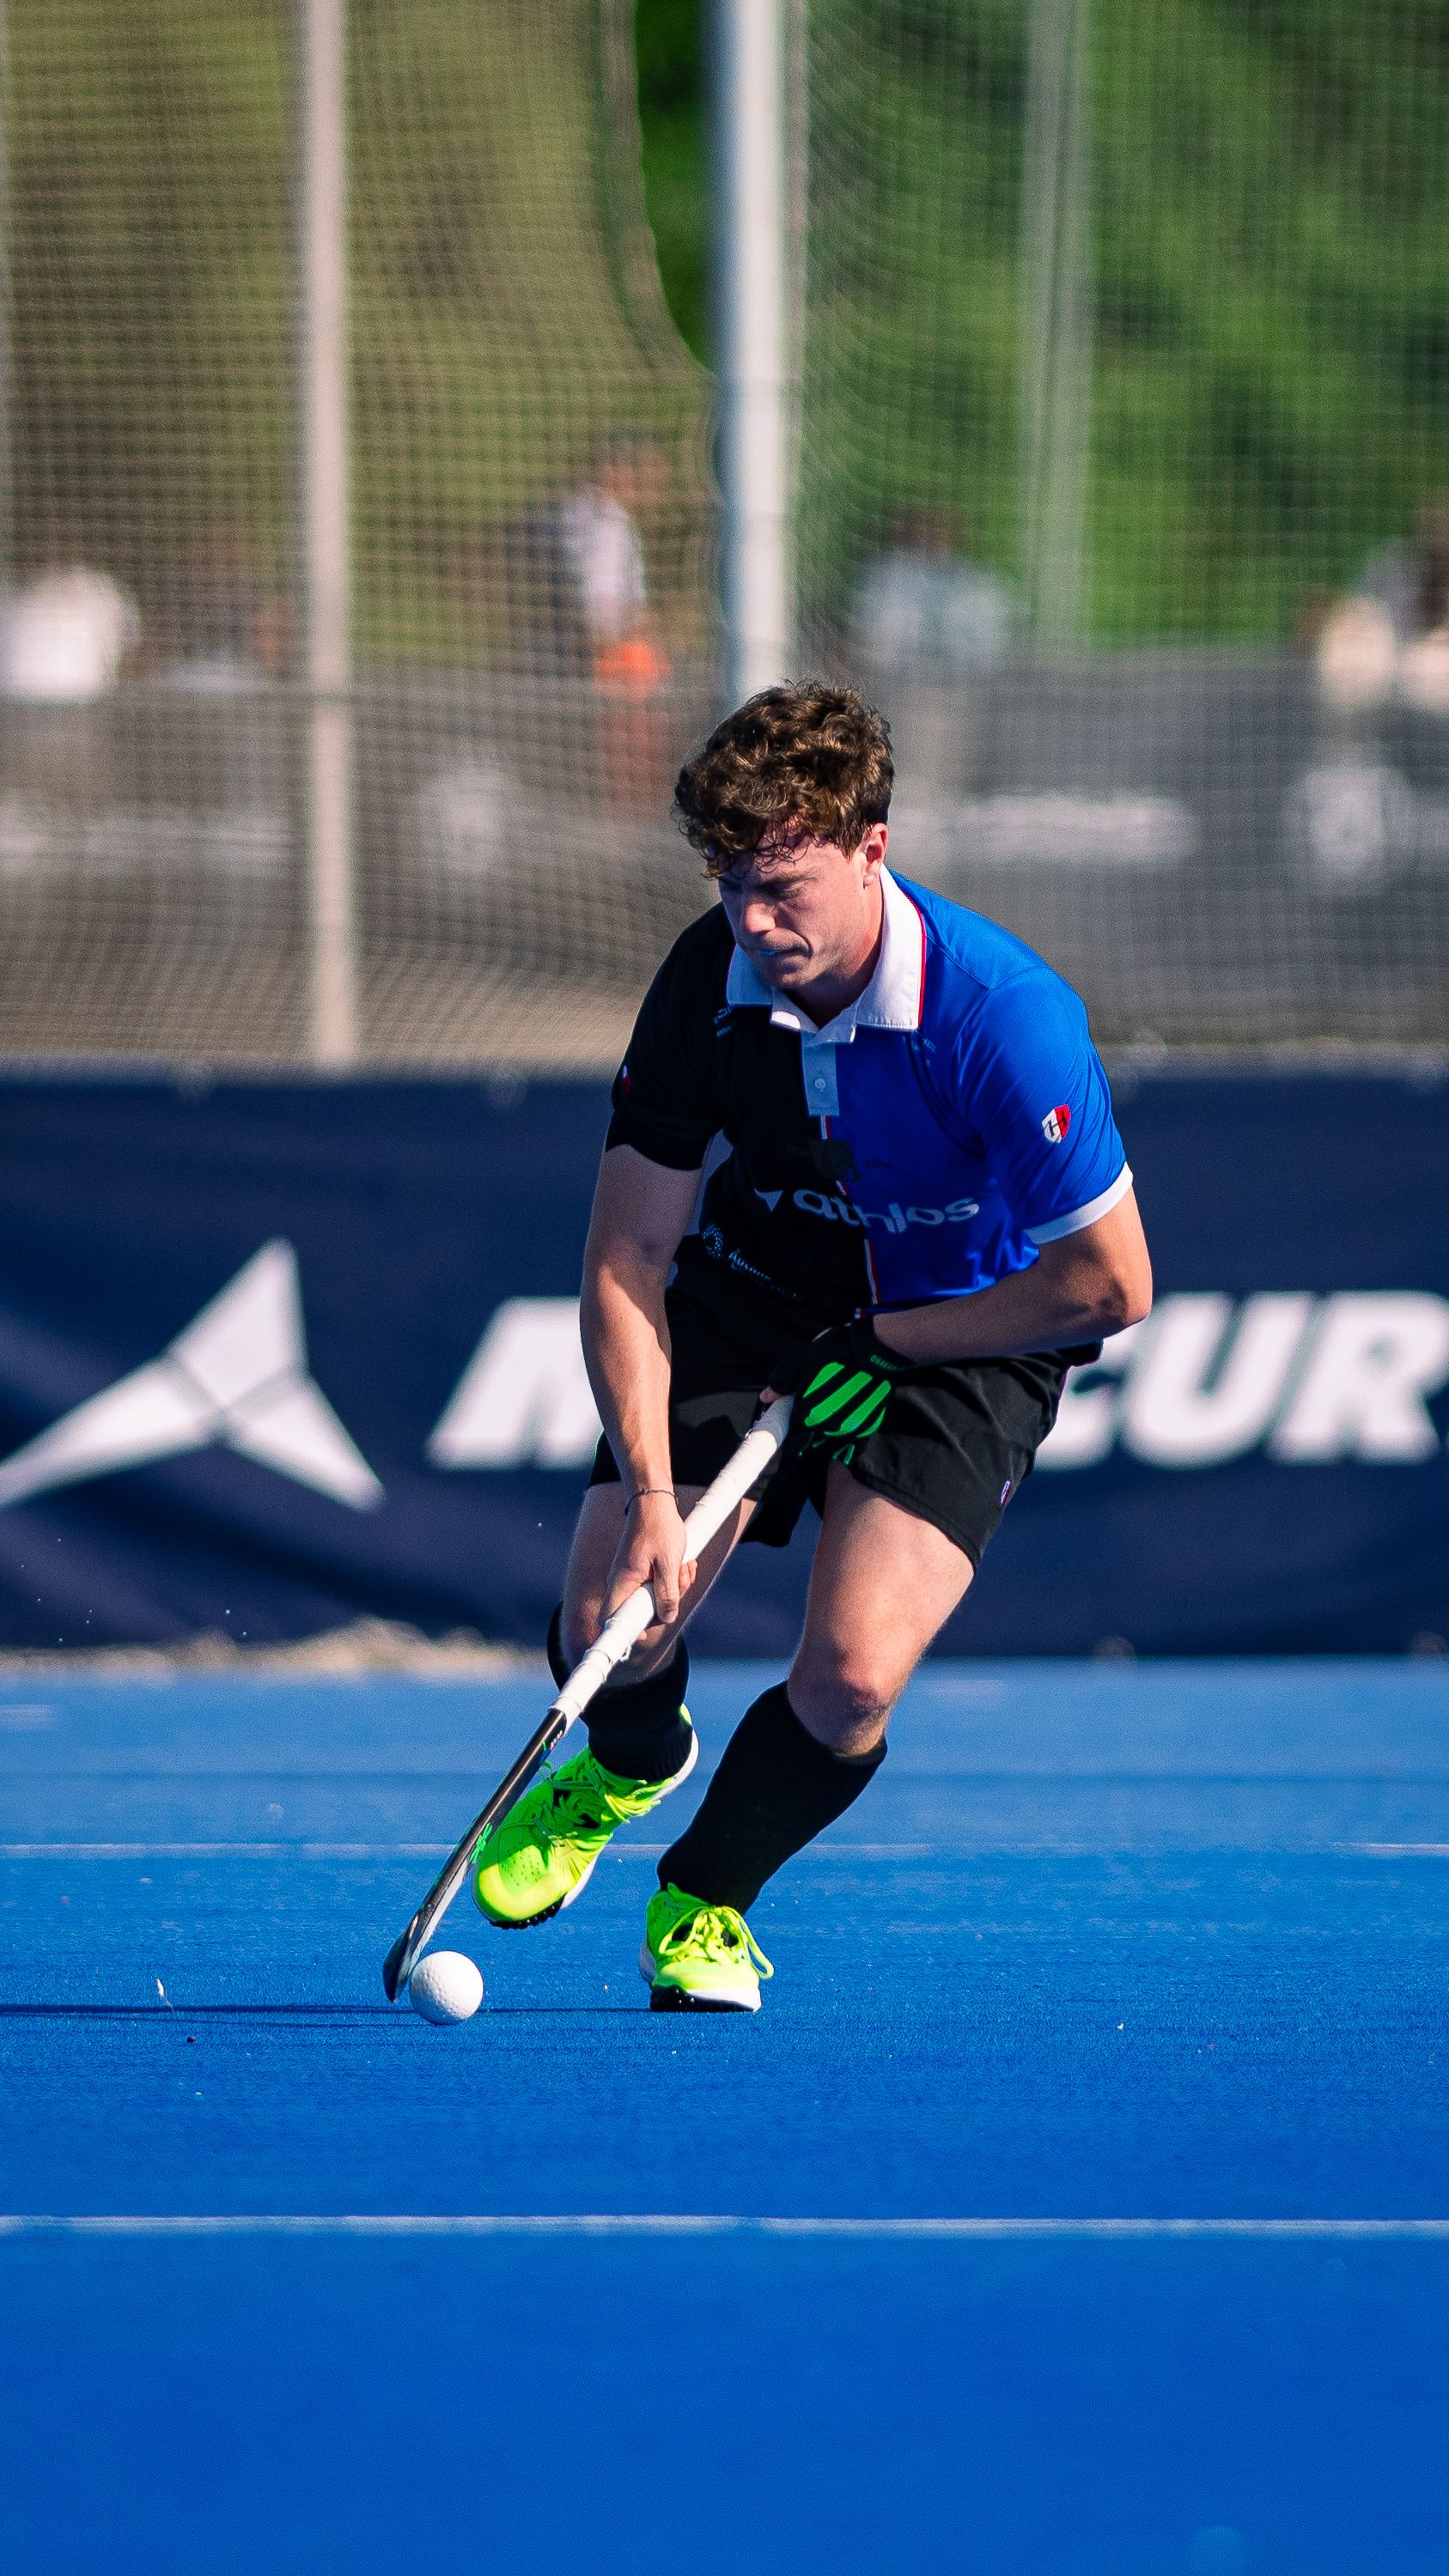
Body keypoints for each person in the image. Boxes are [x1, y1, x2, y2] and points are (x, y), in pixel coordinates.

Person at [470, 682, 1152, 2010]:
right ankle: (624, 1759)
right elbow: (627, 1261)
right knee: (614, 1612)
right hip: (762, 1285)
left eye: (785, 886)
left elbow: (1111, 1286)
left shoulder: (1000, 1018)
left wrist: (895, 1336)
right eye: (731, 885)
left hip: (969, 1321)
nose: (755, 923)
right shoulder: (705, 983)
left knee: (848, 1679)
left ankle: (707, 1895)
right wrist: (657, 1499)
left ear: (872, 848)